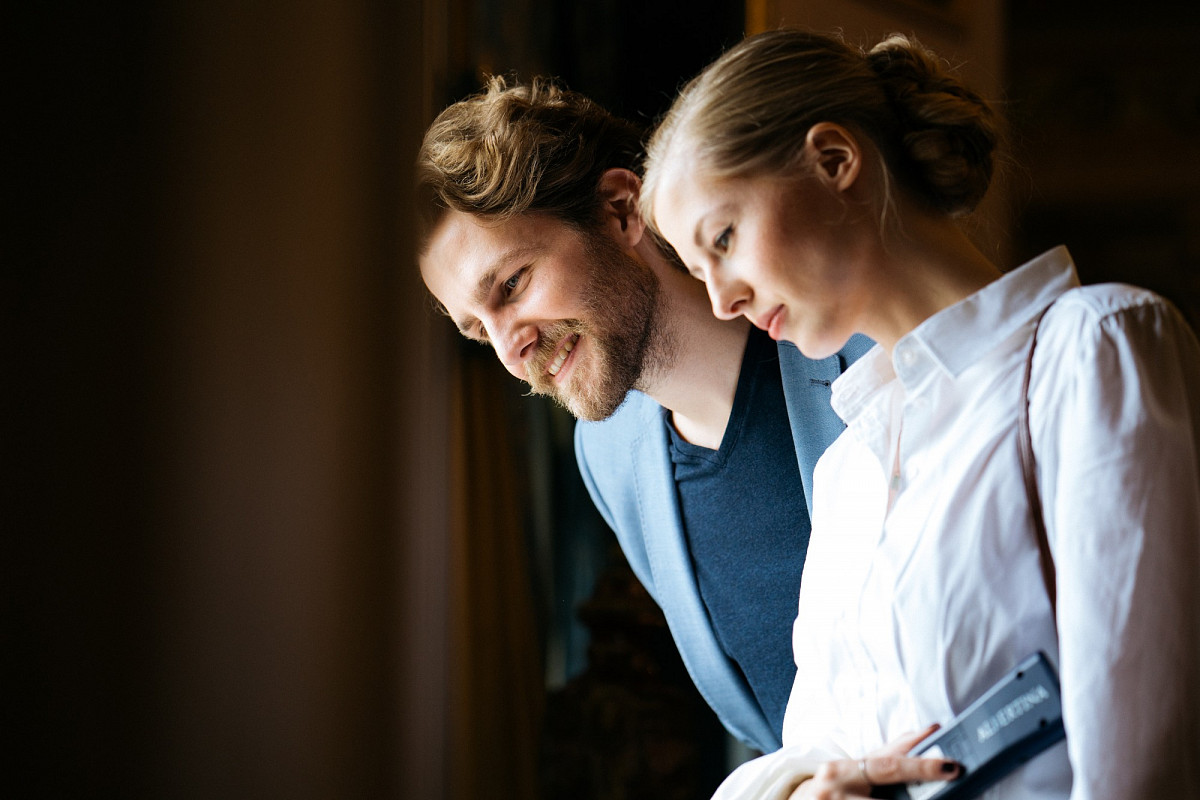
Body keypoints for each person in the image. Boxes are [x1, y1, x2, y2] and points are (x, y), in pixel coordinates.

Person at [641, 28, 1200, 800]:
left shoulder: (1093, 348)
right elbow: (798, 754)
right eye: (699, 271)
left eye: (725, 239)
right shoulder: (847, 472)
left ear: (836, 161)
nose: (722, 299)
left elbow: (1142, 772)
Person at [416, 77, 872, 754]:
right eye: (480, 332)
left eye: (512, 285)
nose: (514, 353)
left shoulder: (858, 351)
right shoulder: (608, 458)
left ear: (619, 209)